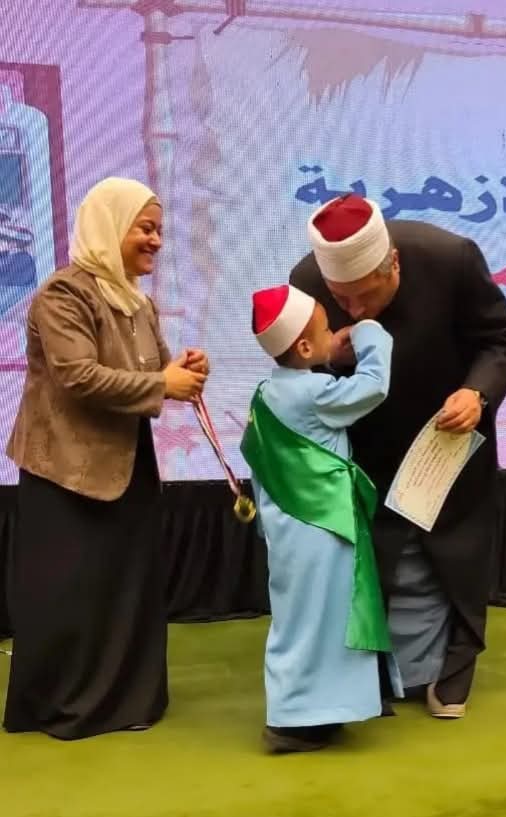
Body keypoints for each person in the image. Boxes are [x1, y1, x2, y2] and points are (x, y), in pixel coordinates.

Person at [290, 195, 506, 718]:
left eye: (365, 295)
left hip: (447, 438)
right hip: (364, 447)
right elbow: (298, 369)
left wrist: (477, 394)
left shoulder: (450, 259)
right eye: (341, 298)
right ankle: (368, 677)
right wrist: (328, 358)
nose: (353, 310)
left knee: (455, 556)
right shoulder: (305, 281)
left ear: (393, 263)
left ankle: (453, 667)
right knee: (374, 565)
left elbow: (501, 340)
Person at [3, 177, 209, 740]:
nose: (156, 241)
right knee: (70, 597)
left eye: (159, 230)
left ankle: (126, 703)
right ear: (109, 226)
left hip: (126, 469)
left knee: (124, 591)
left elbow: (157, 370)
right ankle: (66, 709)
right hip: (65, 473)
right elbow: (78, 376)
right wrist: (162, 383)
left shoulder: (138, 302)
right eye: (145, 228)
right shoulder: (62, 296)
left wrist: (185, 371)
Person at [241, 283, 401, 754]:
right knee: (324, 622)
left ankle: (319, 711)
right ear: (306, 349)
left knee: (305, 620)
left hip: (291, 527)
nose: (337, 334)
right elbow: (374, 385)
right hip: (323, 526)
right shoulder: (316, 393)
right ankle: (295, 721)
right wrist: (370, 332)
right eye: (328, 330)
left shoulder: (267, 392)